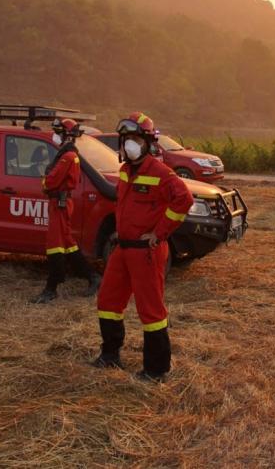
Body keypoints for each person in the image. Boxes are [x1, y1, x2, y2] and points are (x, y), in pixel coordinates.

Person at [94, 112, 193, 383]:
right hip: (123, 249)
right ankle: (110, 354)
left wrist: (159, 233)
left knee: (150, 310)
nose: (129, 145)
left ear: (148, 143)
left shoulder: (160, 173)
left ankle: (157, 368)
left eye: (135, 139)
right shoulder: (125, 171)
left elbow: (183, 200)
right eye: (126, 139)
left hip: (146, 252)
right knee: (108, 301)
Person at [31, 118, 101, 303]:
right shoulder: (67, 155)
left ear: (66, 135)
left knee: (55, 245)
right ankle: (92, 277)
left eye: (57, 132)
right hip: (59, 203)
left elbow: (51, 181)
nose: (54, 135)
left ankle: (51, 287)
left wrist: (44, 181)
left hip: (60, 204)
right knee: (68, 243)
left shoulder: (68, 157)